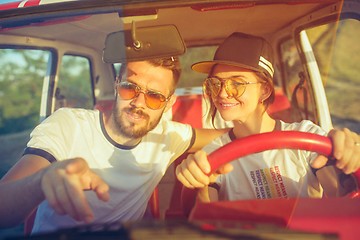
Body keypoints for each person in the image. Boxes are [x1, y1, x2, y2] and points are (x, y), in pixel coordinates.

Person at [0, 57, 227, 234]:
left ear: (169, 103)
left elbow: (229, 135)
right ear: (117, 85)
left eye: (155, 96)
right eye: (130, 87)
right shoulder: (68, 125)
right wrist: (42, 179)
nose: (138, 103)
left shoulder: (168, 136)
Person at [176, 32, 360, 203]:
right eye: (215, 84)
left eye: (237, 84)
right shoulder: (213, 154)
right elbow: (205, 217)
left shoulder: (307, 135)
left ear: (265, 90)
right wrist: (198, 184)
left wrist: (348, 161)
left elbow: (340, 197)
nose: (222, 94)